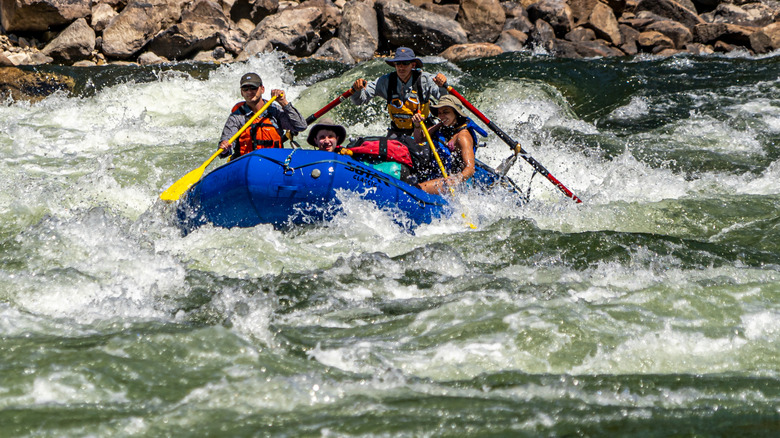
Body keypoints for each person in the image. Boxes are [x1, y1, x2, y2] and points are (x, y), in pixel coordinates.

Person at [351, 47, 448, 137]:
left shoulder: (426, 79)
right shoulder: (385, 82)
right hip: (398, 131)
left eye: (405, 63)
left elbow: (444, 99)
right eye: (398, 63)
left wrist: (442, 86)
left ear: (413, 65)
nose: (401, 67)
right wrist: (357, 90)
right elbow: (359, 100)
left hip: (424, 129)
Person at [218, 72, 307, 159]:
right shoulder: (237, 117)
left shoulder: (274, 111)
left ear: (262, 89)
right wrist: (225, 148)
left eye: (253, 88)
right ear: (242, 92)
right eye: (245, 89)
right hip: (247, 164)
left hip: (274, 163)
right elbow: (223, 152)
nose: (249, 92)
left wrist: (283, 102)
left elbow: (300, 126)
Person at [411, 95, 487, 195]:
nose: (441, 116)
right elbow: (419, 139)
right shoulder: (442, 126)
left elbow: (470, 168)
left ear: (456, 113)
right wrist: (417, 126)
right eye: (440, 113)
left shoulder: (463, 137)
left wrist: (456, 179)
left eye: (446, 112)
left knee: (417, 189)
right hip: (437, 174)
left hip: (454, 182)